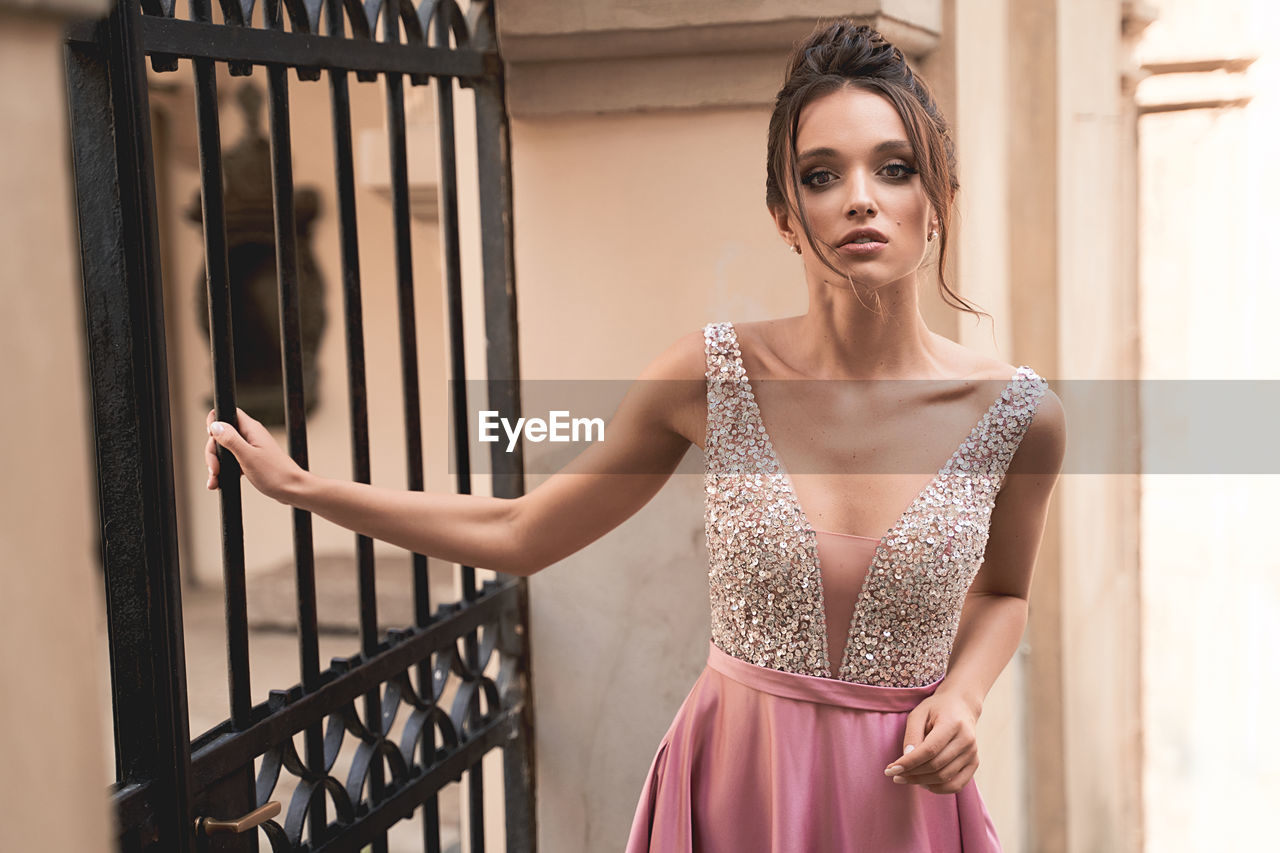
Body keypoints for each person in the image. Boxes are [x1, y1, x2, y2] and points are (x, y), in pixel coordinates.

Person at [205, 18, 1066, 853]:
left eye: (895, 168)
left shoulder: (1019, 418)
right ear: (783, 213)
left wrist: (965, 692)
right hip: (736, 793)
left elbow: (1003, 596)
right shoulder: (708, 377)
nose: (861, 199)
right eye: (820, 175)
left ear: (939, 198)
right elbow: (519, 532)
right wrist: (303, 488)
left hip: (902, 808)